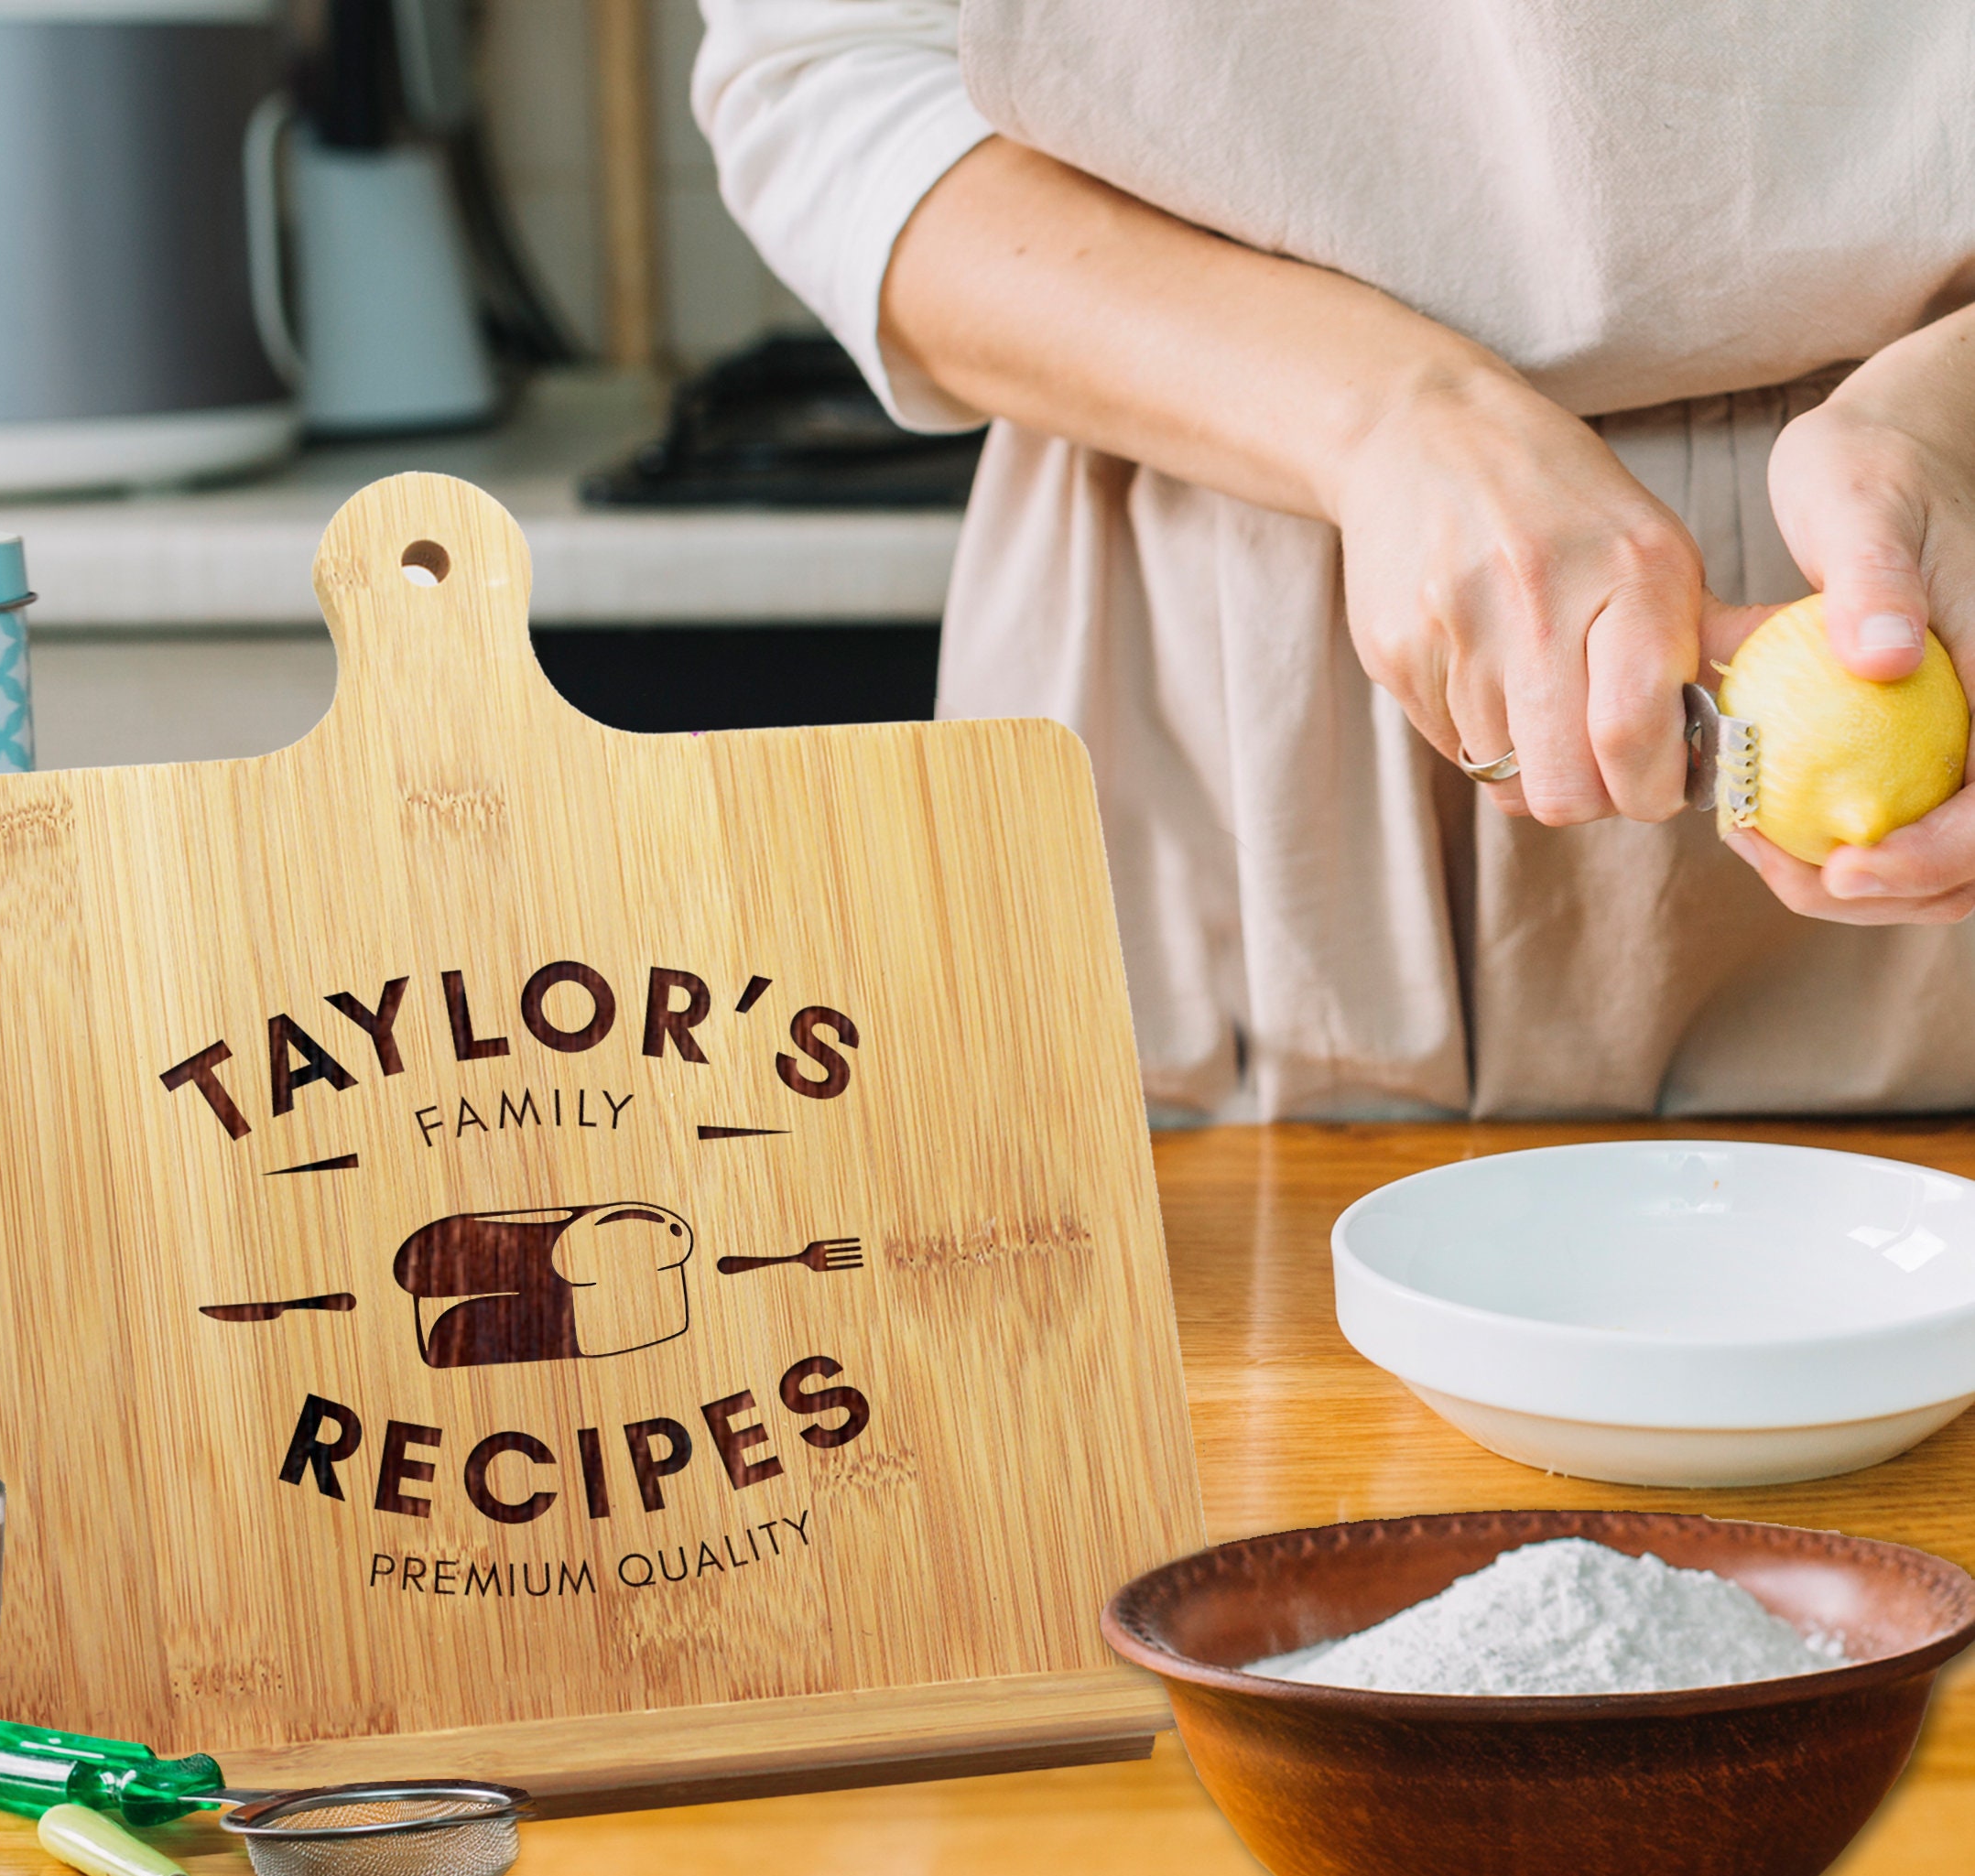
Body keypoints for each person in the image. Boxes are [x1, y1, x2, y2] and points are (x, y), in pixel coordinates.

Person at [694, 1, 1975, 1122]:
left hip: (1936, 573)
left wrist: (1954, 412)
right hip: (1214, 658)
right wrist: (1381, 419)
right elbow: (833, 83)